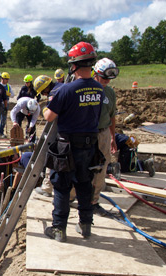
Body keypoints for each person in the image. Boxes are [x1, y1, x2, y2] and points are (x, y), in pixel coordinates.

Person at [42, 41, 104, 242]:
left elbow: (49, 117)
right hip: (89, 145)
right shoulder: (99, 89)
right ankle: (85, 225)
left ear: (74, 65)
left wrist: (45, 107)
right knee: (85, 184)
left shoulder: (66, 90)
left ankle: (59, 229)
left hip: (67, 145)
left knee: (62, 185)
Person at [91, 58, 120, 215]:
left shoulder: (109, 92)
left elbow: (112, 116)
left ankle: (93, 200)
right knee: (80, 166)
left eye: (109, 78)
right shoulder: (87, 89)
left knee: (101, 168)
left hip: (102, 133)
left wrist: (112, 137)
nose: (106, 81)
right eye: (104, 78)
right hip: (86, 134)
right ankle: (71, 197)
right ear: (96, 74)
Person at [33, 75, 64, 198]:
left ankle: (47, 188)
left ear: (45, 88)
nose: (44, 95)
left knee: (52, 156)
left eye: (43, 92)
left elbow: (49, 116)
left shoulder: (54, 93)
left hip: (60, 132)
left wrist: (45, 108)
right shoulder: (63, 87)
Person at [0, 72, 15, 138]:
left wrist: (9, 94)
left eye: (7, 79)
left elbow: (13, 95)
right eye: (6, 79)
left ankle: (1, 132)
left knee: (3, 119)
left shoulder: (8, 86)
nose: (7, 80)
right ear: (2, 79)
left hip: (5, 104)